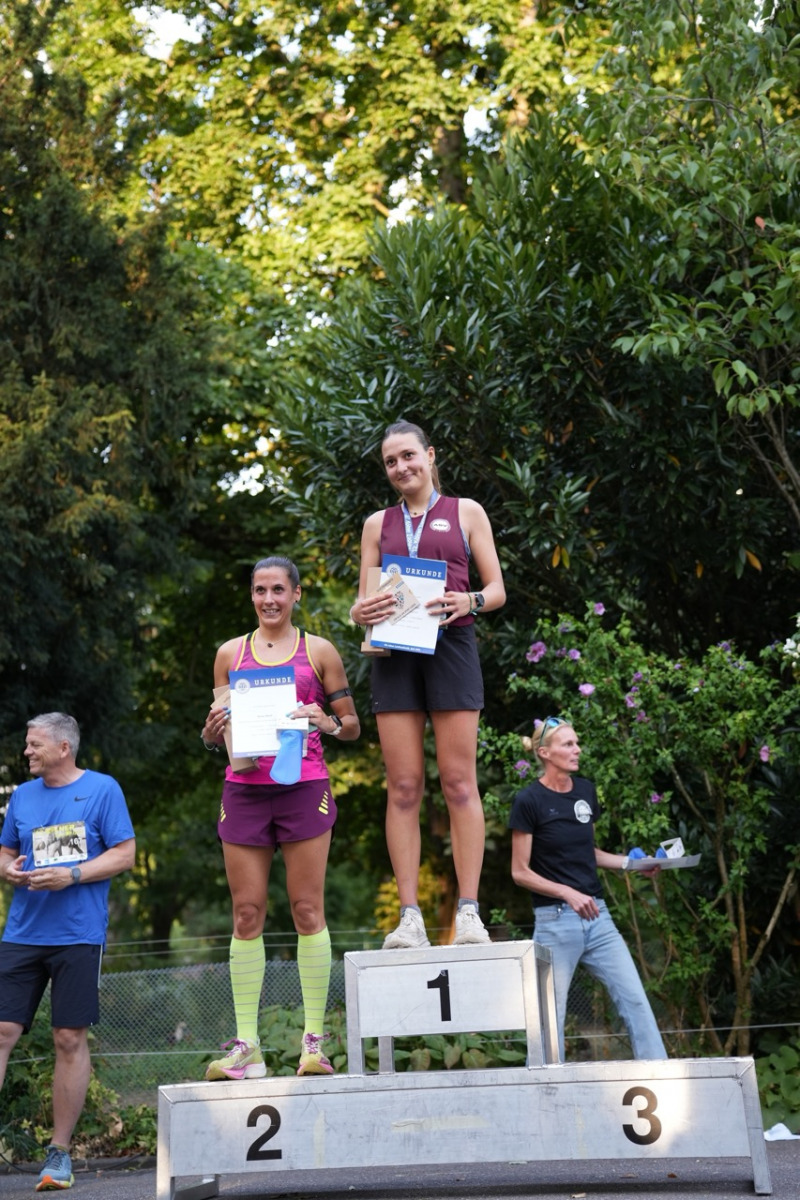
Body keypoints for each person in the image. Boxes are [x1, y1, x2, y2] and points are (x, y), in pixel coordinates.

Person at [201, 555, 359, 1080]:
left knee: (307, 909)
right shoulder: (229, 653)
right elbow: (219, 732)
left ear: (296, 594)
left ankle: (313, 1044)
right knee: (246, 913)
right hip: (245, 790)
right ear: (251, 595)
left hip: (303, 787)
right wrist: (210, 732)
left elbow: (352, 726)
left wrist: (326, 721)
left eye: (278, 590)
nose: (268, 599)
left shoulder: (320, 651)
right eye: (260, 590)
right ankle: (248, 1048)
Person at [350, 420, 505, 949]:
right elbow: (362, 601)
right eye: (391, 462)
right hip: (394, 654)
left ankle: (469, 913)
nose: (401, 468)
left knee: (459, 783)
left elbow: (497, 589)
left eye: (408, 456)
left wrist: (471, 600)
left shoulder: (466, 512)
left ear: (430, 455)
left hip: (452, 646)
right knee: (403, 787)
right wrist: (358, 611)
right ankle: (410, 918)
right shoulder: (377, 524)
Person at [0, 713, 136, 1192]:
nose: (27, 751)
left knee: (68, 1038)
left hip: (78, 935)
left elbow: (125, 854)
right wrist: (7, 870)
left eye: (34, 744)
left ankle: (58, 1154)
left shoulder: (103, 789)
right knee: (2, 1030)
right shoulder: (22, 795)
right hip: (22, 933)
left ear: (63, 748)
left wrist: (72, 875)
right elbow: (5, 851)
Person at [508, 717, 667, 1061]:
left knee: (636, 1001)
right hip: (554, 922)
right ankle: (545, 1089)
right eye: (568, 744)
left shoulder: (585, 791)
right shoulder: (529, 800)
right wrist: (567, 892)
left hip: (598, 918)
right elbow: (520, 872)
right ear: (544, 753)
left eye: (577, 743)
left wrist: (633, 864)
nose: (577, 749)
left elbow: (589, 853)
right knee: (548, 1020)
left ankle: (661, 1078)